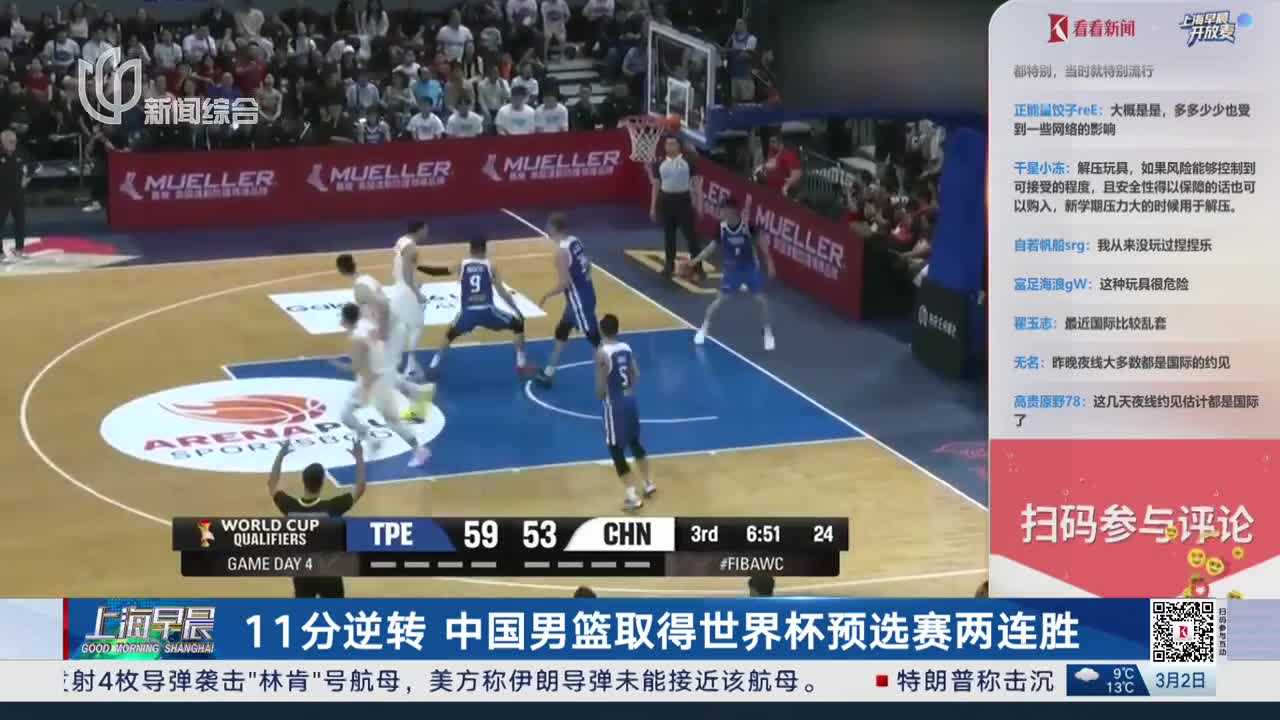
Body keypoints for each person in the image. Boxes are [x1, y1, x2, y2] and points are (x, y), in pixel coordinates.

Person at [335, 302, 433, 468]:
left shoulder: (356, 338)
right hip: (383, 372)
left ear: (346, 320)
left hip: (372, 383)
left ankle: (414, 449)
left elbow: (359, 367)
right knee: (351, 414)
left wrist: (339, 365)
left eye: (342, 319)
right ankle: (415, 392)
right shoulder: (367, 326)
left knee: (352, 416)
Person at [268, 437, 366, 598]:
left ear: (303, 481)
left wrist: (280, 455)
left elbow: (271, 484)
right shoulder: (331, 508)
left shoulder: (290, 507)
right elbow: (360, 488)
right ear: (322, 482)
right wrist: (359, 457)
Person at [684, 196, 776, 350]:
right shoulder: (721, 228)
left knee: (762, 301)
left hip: (749, 269)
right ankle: (704, 328)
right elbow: (710, 248)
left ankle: (767, 332)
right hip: (732, 271)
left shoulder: (748, 226)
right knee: (719, 301)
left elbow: (762, 244)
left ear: (731, 211)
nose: (720, 212)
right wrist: (694, 262)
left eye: (723, 209)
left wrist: (770, 263)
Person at [430, 237, 529, 374]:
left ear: (470, 250)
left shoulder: (462, 264)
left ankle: (434, 364)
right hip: (487, 312)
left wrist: (418, 267)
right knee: (518, 324)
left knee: (449, 334)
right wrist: (516, 309)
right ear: (484, 250)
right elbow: (502, 293)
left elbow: (437, 272)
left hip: (467, 313)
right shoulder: (490, 266)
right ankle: (521, 362)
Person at [532, 213, 600, 388]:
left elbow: (564, 284)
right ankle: (549, 372)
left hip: (579, 302)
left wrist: (546, 295)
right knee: (562, 331)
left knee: (595, 340)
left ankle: (610, 378)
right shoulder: (575, 241)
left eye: (548, 226)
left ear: (554, 228)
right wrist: (583, 281)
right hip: (584, 295)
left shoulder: (561, 253)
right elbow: (588, 264)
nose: (546, 229)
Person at [596, 313, 656, 511]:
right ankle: (648, 483)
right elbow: (635, 374)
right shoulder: (626, 347)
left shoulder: (602, 353)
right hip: (630, 400)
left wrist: (602, 396)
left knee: (615, 450)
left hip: (614, 405)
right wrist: (627, 391)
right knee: (635, 442)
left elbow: (600, 389)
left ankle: (632, 496)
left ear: (602, 330)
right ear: (617, 329)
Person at [650, 135, 703, 279]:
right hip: (666, 201)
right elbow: (656, 186)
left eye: (673, 144)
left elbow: (697, 185)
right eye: (668, 144)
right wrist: (653, 207)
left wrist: (700, 205)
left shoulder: (688, 162)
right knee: (669, 235)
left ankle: (698, 266)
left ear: (679, 146)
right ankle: (669, 265)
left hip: (683, 201)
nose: (670, 147)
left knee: (691, 236)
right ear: (665, 147)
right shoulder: (659, 164)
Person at [385, 222, 432, 382]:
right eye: (425, 230)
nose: (427, 233)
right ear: (419, 230)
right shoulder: (411, 248)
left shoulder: (402, 240)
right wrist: (417, 292)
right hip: (406, 291)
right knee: (416, 325)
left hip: (399, 288)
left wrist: (414, 281)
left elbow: (398, 268)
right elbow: (406, 273)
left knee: (399, 326)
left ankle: (392, 362)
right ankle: (410, 368)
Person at [0, 129, 31, 262]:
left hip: (18, 195)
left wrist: (27, 179)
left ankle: (19, 249)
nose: (14, 144)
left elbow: (33, 166)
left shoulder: (21, 152)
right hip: (1, 196)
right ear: (2, 142)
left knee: (20, 223)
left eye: (15, 141)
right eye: (10, 142)